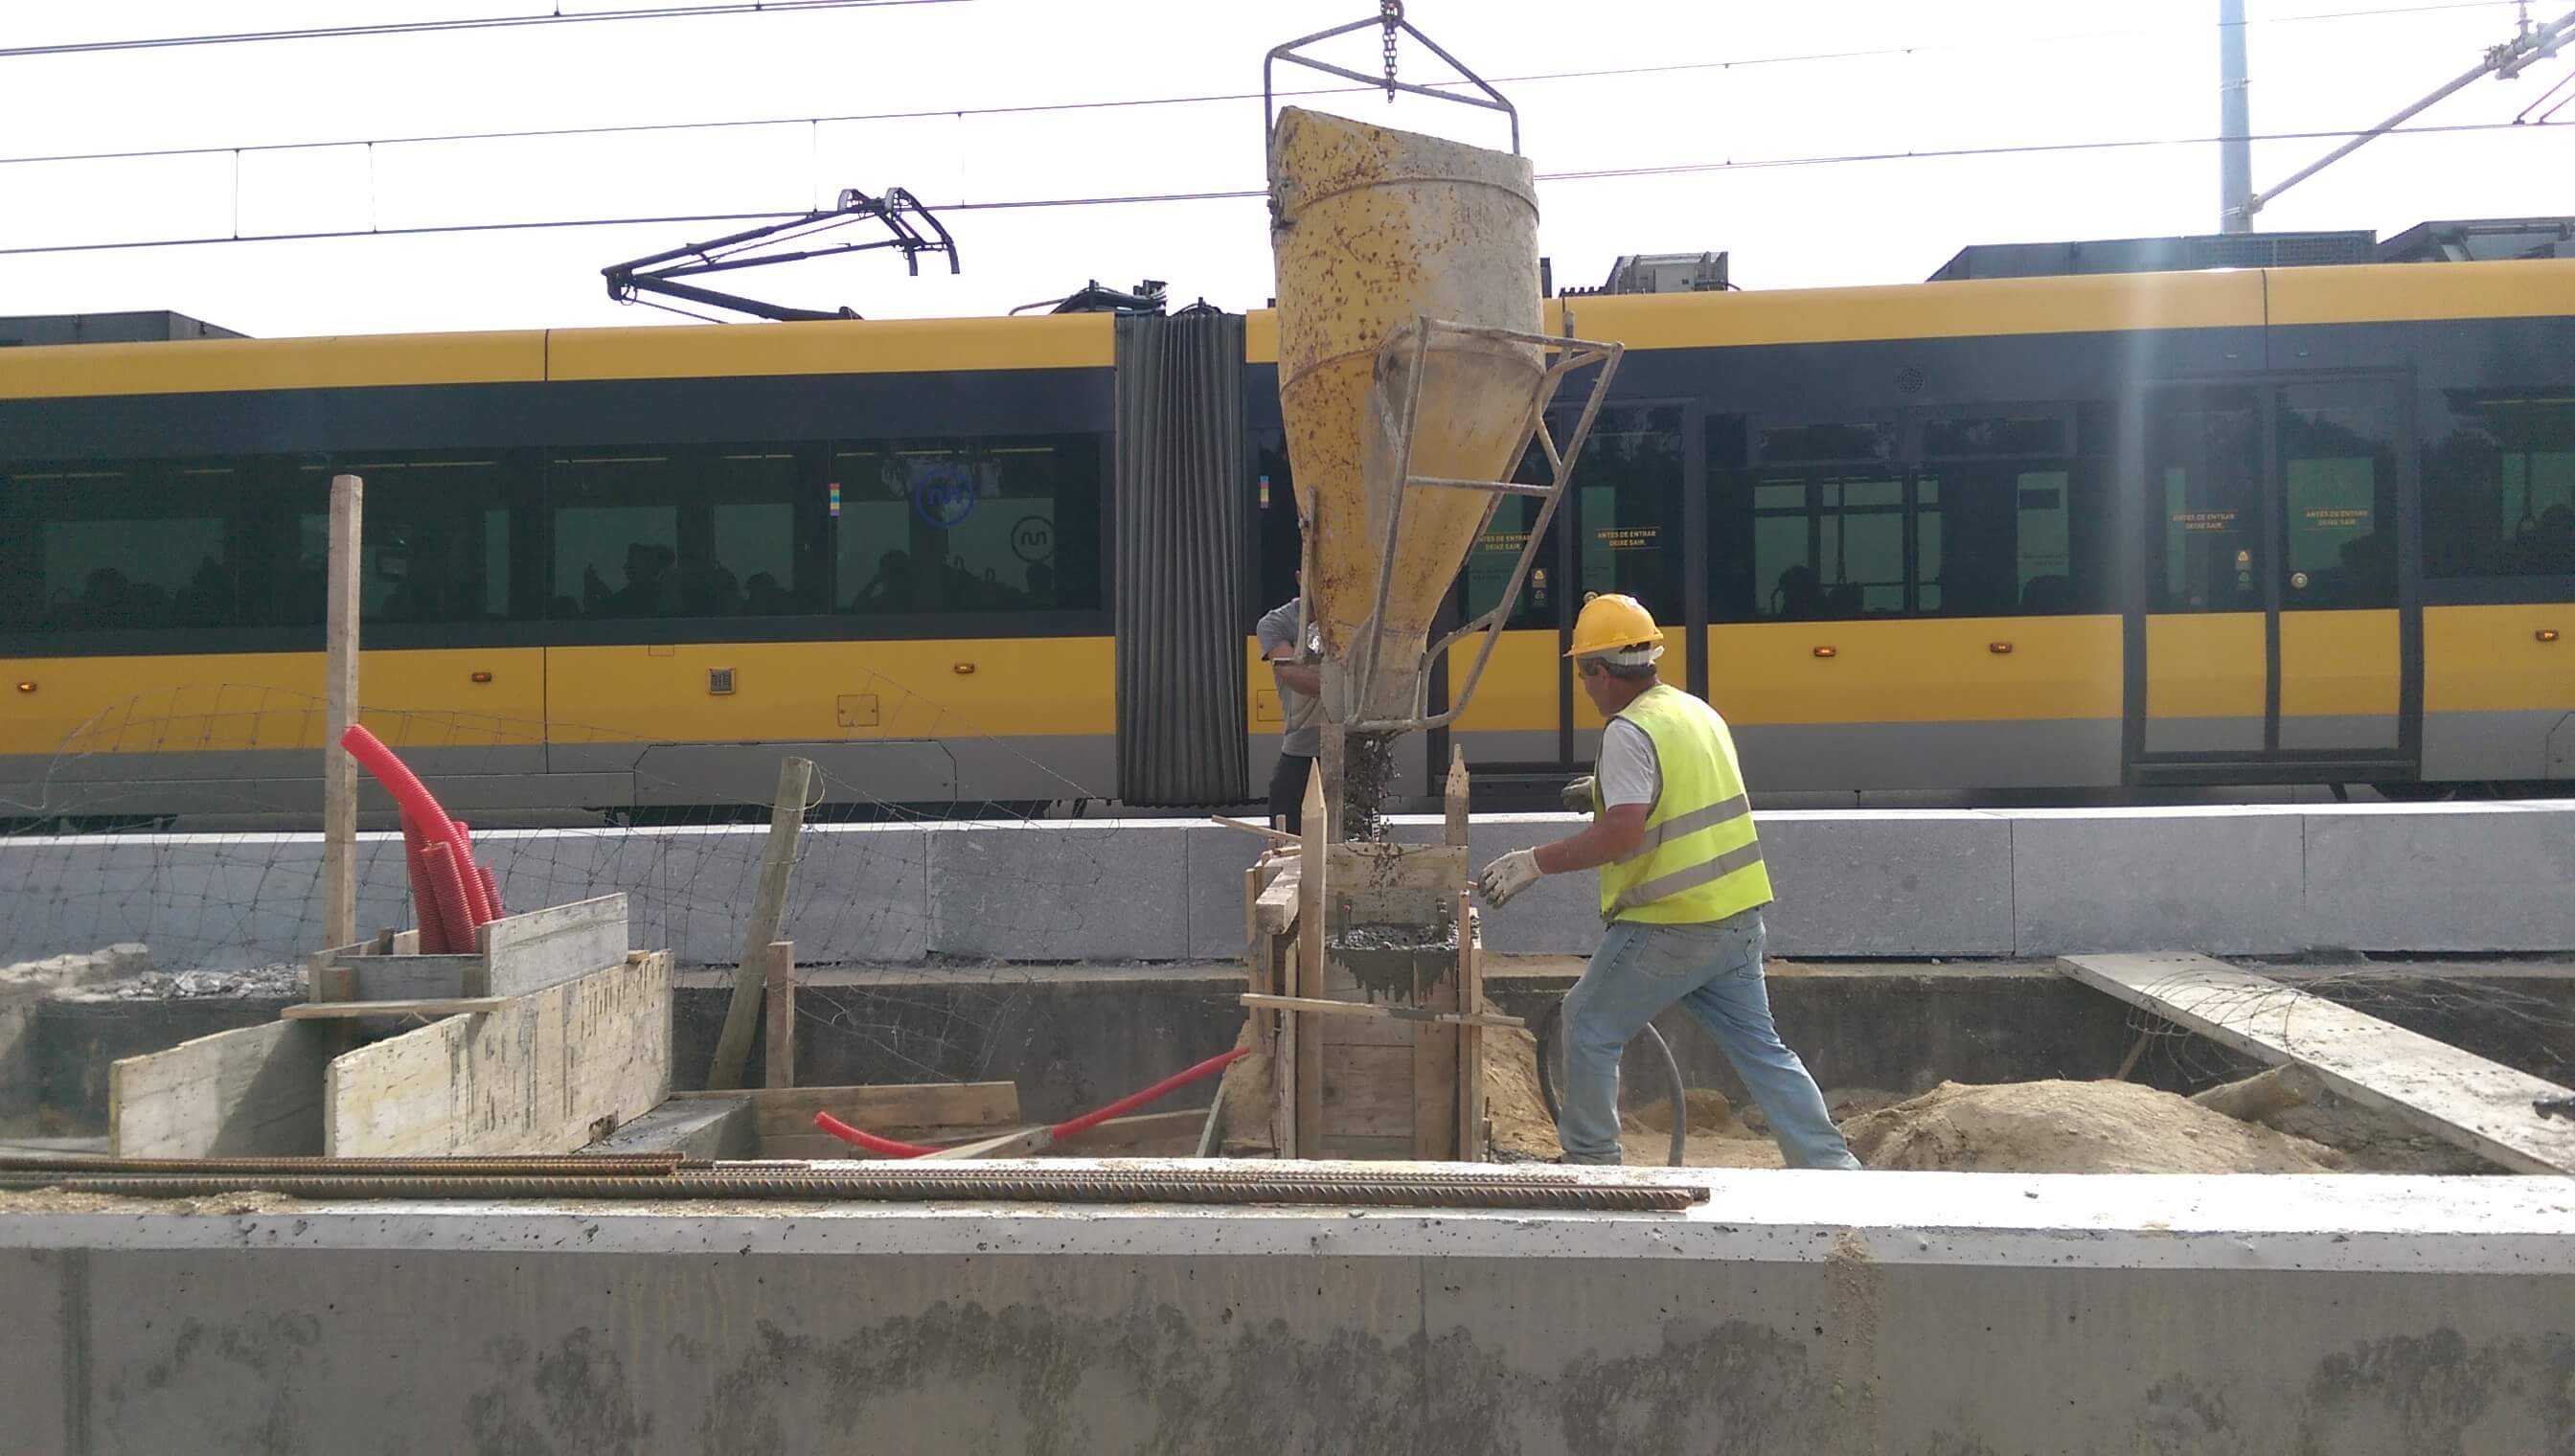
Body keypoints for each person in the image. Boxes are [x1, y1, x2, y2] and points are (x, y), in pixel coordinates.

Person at [1477, 593, 1861, 1171]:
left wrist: (1537, 861)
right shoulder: (1694, 711)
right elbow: (1681, 791)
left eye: (1584, 673)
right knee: (1762, 1051)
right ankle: (1831, 1168)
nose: (1585, 687)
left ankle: (1591, 1162)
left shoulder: (1627, 732)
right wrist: (1605, 790)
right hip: (1736, 917)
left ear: (1601, 672)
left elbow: (1623, 835)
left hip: (1670, 922)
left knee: (1588, 1024)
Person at [1255, 583, 1324, 832]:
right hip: (1301, 752)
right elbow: (1295, 676)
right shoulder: (1276, 623)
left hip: (1356, 750)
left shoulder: (1362, 619)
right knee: (1288, 840)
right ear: (1300, 576)